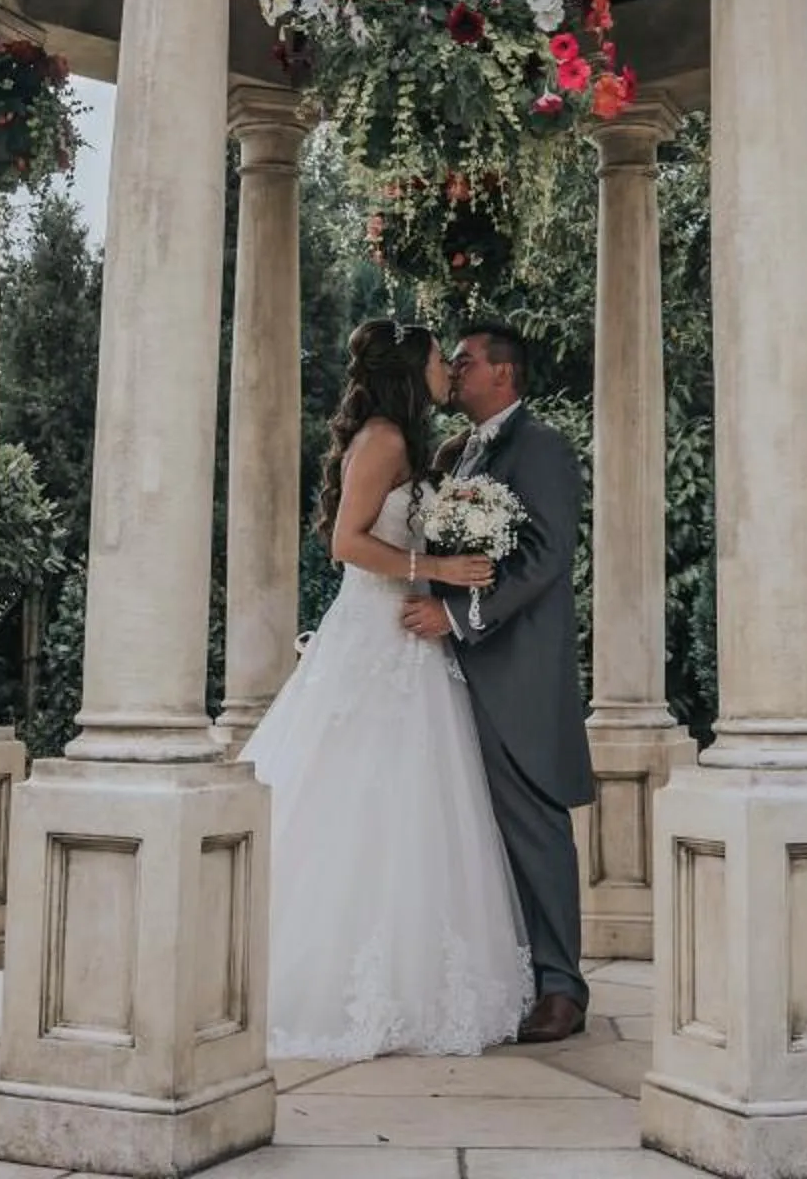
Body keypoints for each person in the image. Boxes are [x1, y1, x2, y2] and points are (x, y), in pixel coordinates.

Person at [239, 319, 534, 1059]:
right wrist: (434, 572)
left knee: (415, 803)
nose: (449, 370)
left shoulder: (411, 445)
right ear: (412, 369)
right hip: (373, 636)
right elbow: (346, 542)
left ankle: (417, 981)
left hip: (408, 641)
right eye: (441, 360)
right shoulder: (383, 440)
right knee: (353, 793)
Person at [403, 322, 596, 1044]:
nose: (454, 372)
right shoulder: (458, 454)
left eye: (467, 361)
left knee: (533, 825)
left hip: (512, 669)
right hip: (450, 673)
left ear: (505, 375)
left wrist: (456, 615)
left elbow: (545, 560)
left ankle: (561, 987)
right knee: (470, 833)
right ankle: (509, 976)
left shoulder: (540, 448)